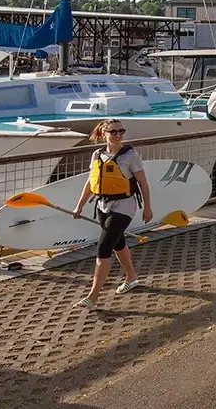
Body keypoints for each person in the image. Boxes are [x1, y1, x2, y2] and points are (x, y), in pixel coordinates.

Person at [72, 118, 153, 310]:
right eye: (113, 132)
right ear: (104, 134)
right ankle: (132, 278)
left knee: (103, 247)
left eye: (121, 131)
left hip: (124, 206)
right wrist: (79, 206)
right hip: (102, 206)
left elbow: (143, 183)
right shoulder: (97, 155)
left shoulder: (129, 155)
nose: (118, 135)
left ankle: (92, 297)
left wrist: (148, 207)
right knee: (118, 243)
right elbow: (91, 183)